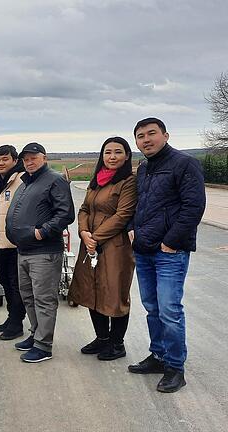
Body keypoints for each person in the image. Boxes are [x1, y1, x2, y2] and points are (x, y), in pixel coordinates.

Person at [127, 118, 206, 393]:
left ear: (165, 135)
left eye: (151, 134)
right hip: (145, 250)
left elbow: (193, 207)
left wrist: (171, 242)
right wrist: (131, 228)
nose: (146, 139)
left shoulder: (184, 163)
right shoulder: (145, 168)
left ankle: (175, 368)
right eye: (140, 136)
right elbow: (139, 204)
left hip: (170, 252)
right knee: (152, 308)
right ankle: (158, 356)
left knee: (170, 311)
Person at [68, 137, 137, 361]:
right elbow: (85, 209)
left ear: (127, 156)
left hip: (115, 247)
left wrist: (95, 238)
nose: (112, 156)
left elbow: (122, 215)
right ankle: (102, 338)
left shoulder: (128, 182)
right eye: (108, 152)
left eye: (118, 152)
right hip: (90, 245)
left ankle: (117, 344)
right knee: (91, 290)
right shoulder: (96, 181)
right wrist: (84, 232)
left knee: (115, 294)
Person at [6, 142, 75, 363]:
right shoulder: (26, 182)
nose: (29, 162)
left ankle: (44, 346)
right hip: (24, 250)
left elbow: (65, 214)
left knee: (44, 299)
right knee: (28, 297)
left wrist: (41, 233)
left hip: (44, 251)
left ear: (44, 158)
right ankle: (36, 335)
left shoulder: (54, 180)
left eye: (34, 157)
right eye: (26, 159)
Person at [0, 145, 27, 340]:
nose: (0, 163)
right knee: (4, 282)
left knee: (16, 284)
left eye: (5, 159)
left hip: (16, 243)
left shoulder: (22, 180)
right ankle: (11, 317)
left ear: (15, 160)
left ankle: (17, 323)